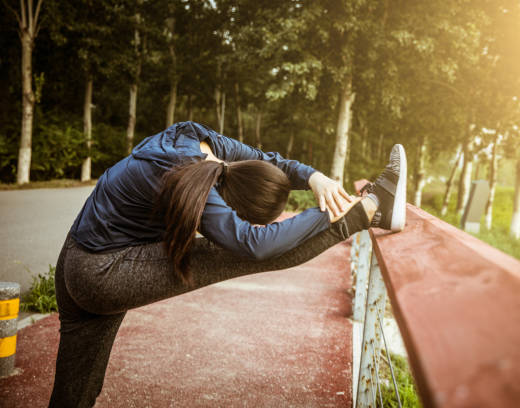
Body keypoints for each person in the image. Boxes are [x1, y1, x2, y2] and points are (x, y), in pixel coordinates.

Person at [48, 121, 407, 407]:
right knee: (239, 255)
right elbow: (254, 245)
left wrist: (314, 177)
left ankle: (370, 211)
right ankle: (371, 209)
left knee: (75, 393)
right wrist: (339, 212)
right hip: (103, 271)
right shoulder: (196, 187)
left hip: (75, 254)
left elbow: (272, 161)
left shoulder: (203, 141)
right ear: (235, 210)